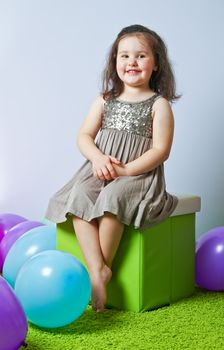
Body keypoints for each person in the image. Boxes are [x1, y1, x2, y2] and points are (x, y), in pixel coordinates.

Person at [45, 24, 180, 313]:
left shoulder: (159, 104)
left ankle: (97, 276)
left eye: (141, 56)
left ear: (155, 64)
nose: (132, 62)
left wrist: (128, 170)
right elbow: (83, 136)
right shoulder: (104, 100)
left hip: (137, 174)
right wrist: (97, 158)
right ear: (114, 62)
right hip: (101, 167)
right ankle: (98, 270)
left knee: (112, 198)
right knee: (79, 194)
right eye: (124, 56)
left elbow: (160, 150)